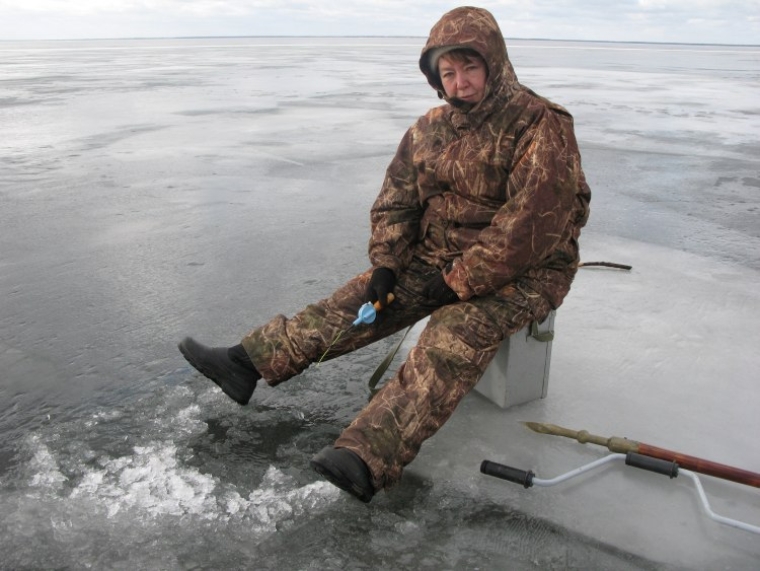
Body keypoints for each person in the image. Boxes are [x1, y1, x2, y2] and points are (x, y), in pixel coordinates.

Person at [179, 6, 591, 503]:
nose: (460, 83)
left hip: (527, 270)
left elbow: (531, 226)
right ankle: (247, 363)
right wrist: (387, 265)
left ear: (495, 64)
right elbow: (397, 201)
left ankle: (366, 457)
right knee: (360, 301)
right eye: (449, 74)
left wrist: (460, 281)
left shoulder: (539, 124)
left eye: (470, 69)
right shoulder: (430, 129)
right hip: (443, 256)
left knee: (453, 334)